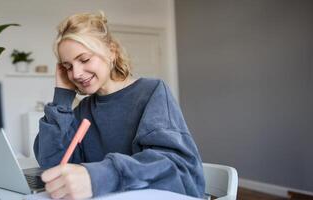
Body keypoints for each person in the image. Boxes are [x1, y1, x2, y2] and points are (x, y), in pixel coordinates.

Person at [33, 11, 205, 199]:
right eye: (68, 67)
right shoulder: (83, 110)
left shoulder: (151, 92)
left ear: (111, 51)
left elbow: (174, 165)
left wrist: (99, 176)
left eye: (84, 59)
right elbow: (52, 165)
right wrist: (62, 97)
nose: (76, 74)